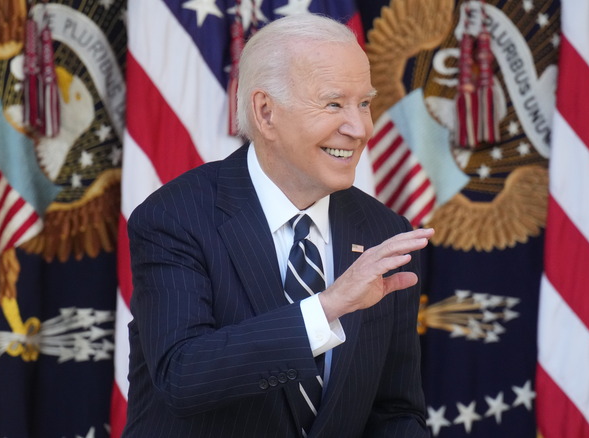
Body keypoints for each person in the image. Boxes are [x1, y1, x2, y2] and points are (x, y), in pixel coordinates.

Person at [122, 13, 434, 438]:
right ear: (266, 112)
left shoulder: (382, 230)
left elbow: (395, 411)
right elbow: (183, 375)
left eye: (364, 103)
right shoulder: (175, 217)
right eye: (333, 103)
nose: (360, 128)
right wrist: (327, 308)